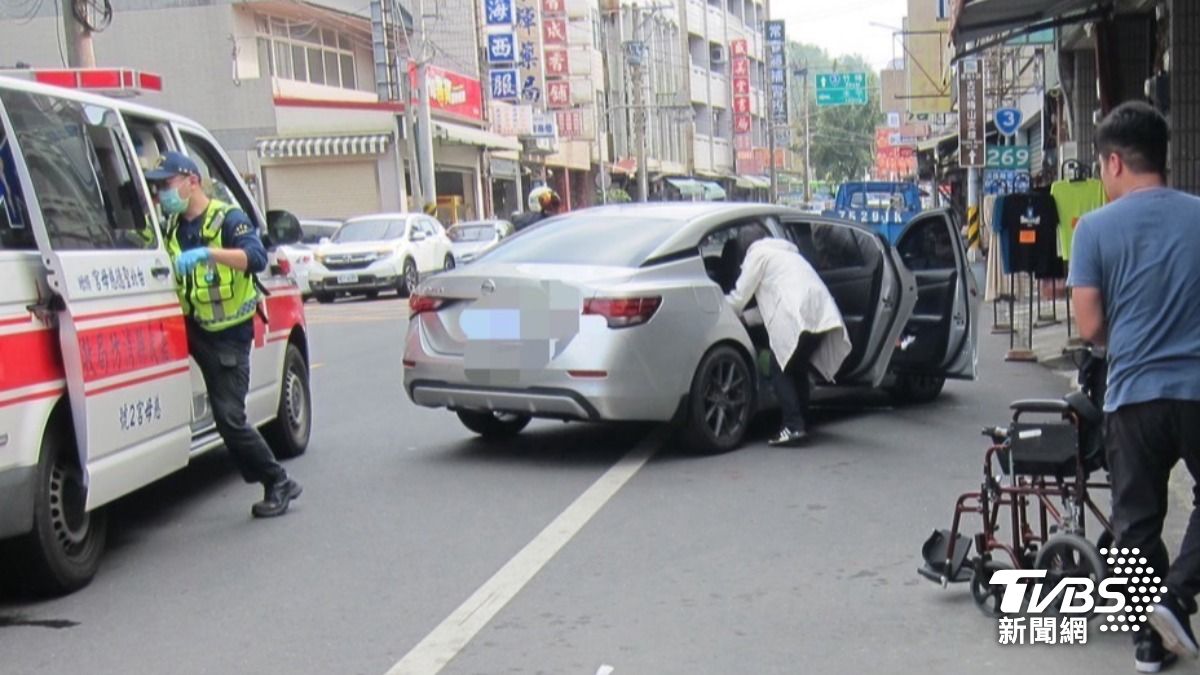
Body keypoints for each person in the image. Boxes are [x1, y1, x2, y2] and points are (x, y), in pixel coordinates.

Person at [1069, 101, 1200, 672]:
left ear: (1115, 162)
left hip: (1132, 396)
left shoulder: (1094, 229)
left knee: (1135, 521)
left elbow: (1091, 326)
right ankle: (1178, 595)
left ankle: (1149, 640)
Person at [145, 152, 302, 519]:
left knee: (230, 418)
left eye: (166, 185)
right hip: (192, 327)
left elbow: (257, 257)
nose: (161, 194)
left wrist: (208, 254)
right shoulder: (169, 226)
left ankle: (278, 480)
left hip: (229, 334)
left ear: (191, 180)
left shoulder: (226, 218)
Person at [725, 227, 852, 446]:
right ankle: (802, 422)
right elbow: (771, 305)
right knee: (797, 367)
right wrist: (746, 319)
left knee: (780, 368)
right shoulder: (788, 255)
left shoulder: (758, 255)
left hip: (797, 316)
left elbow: (738, 298)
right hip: (820, 314)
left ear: (745, 247)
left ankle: (793, 426)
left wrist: (718, 307)